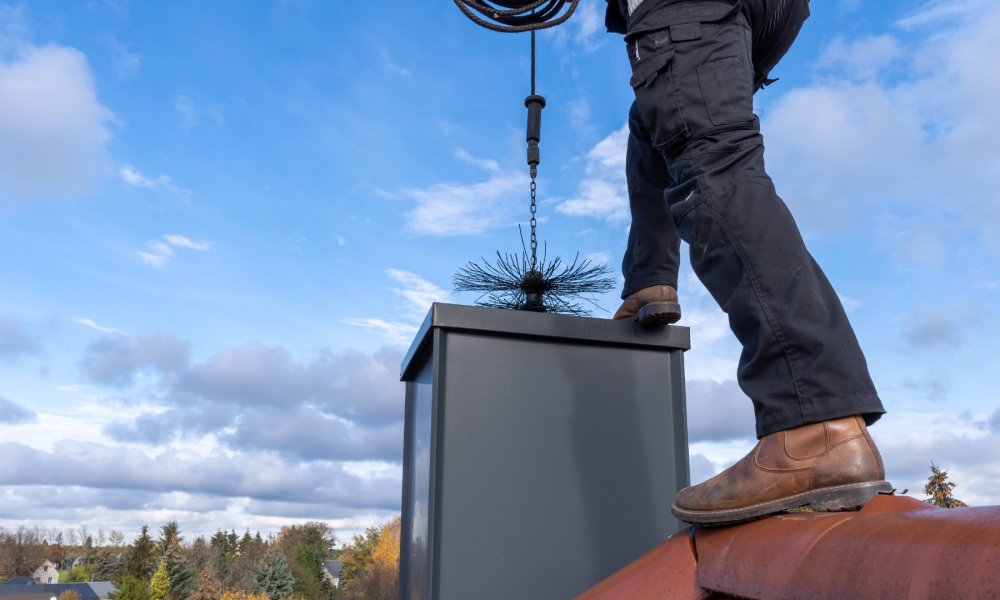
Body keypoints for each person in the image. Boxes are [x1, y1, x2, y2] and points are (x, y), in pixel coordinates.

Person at [604, 0, 891, 525]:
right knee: (652, 124)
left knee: (714, 171)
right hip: (750, 16)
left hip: (683, 9)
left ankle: (816, 426)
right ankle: (649, 278)